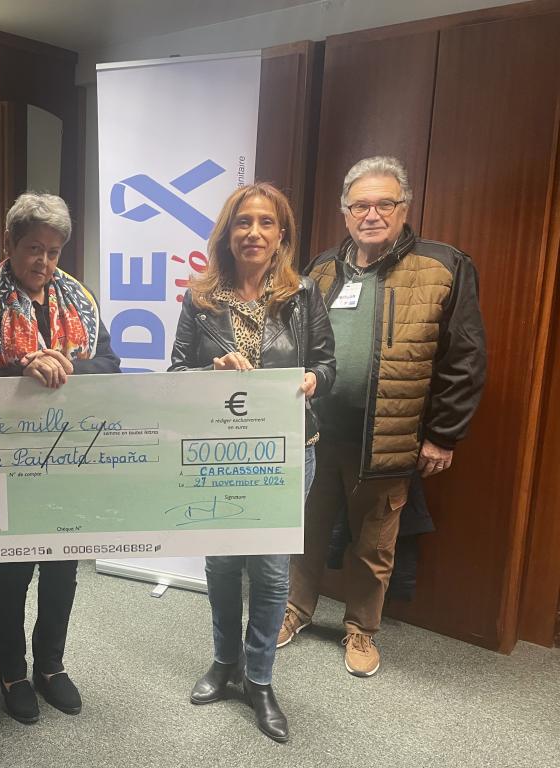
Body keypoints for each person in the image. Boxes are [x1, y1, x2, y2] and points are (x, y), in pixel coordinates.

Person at [280, 156, 487, 677]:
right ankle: (295, 609)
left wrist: (443, 435)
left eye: (384, 203)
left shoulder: (443, 266)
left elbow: (465, 358)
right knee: (302, 529)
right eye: (360, 206)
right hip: (314, 433)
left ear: (404, 207)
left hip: (388, 439)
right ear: (345, 212)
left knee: (374, 544)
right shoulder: (320, 270)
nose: (371, 214)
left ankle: (361, 629)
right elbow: (294, 344)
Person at [169, 183, 335, 742]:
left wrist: (312, 379)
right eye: (243, 222)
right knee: (221, 563)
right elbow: (175, 375)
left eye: (266, 222)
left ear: (281, 234)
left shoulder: (303, 295)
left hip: (287, 452)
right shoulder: (199, 299)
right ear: (228, 232)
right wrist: (210, 372)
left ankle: (259, 678)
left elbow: (328, 365)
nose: (254, 233)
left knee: (269, 569)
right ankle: (225, 662)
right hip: (220, 451)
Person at [0, 192, 121, 724]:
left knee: (63, 570)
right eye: (33, 248)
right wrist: (20, 371)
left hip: (69, 460)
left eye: (53, 250)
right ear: (9, 244)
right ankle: (12, 673)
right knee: (11, 573)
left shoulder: (80, 302)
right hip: (6, 463)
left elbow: (110, 365)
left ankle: (50, 666)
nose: (43, 261)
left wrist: (63, 365)